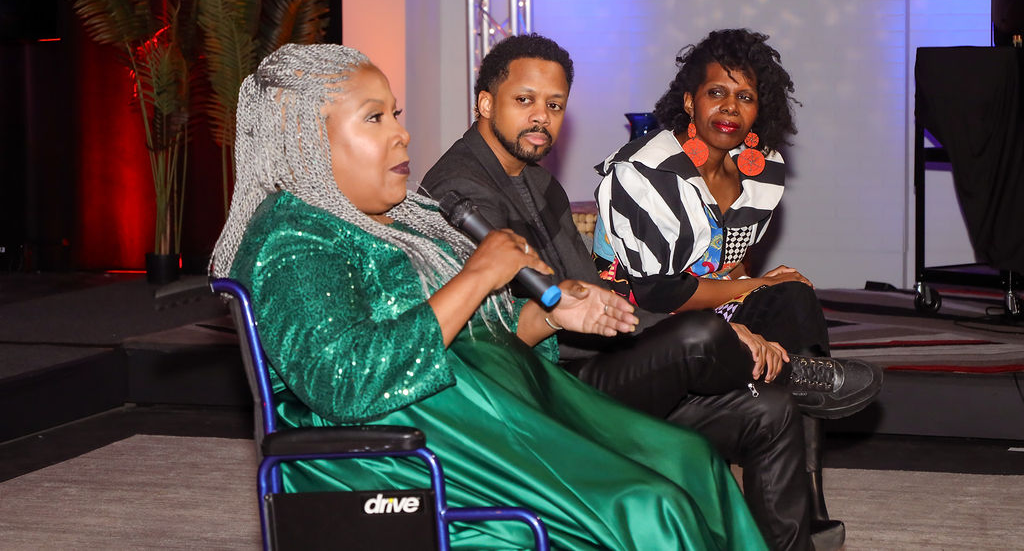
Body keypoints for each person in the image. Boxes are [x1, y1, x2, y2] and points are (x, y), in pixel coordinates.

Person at [210, 43, 766, 550]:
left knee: (689, 459)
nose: (401, 133)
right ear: (302, 132)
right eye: (375, 118)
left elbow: (479, 331)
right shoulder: (294, 239)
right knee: (650, 506)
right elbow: (348, 382)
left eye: (395, 114)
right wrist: (476, 275)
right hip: (403, 449)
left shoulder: (400, 217)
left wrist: (553, 312)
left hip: (484, 407)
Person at [422, 33, 859, 550]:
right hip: (542, 390)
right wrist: (727, 330)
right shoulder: (461, 192)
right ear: (486, 103)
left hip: (588, 365)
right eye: (525, 101)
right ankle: (786, 365)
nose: (541, 117)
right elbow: (496, 329)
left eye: (555, 104)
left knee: (772, 410)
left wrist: (730, 313)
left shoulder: (538, 183)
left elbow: (597, 297)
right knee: (701, 332)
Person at [595, 28, 883, 549]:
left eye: (745, 96)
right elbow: (658, 291)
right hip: (643, 327)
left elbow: (729, 257)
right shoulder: (645, 171)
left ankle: (800, 425)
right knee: (762, 296)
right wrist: (745, 291)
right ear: (689, 100)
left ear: (759, 109)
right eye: (716, 93)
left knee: (792, 293)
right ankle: (791, 381)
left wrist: (749, 286)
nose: (730, 108)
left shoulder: (762, 168)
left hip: (704, 308)